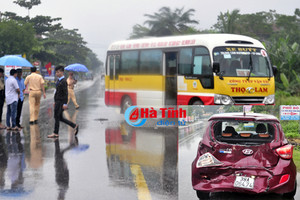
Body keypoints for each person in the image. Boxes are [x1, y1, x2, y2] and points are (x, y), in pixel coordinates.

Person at [47, 66, 79, 138]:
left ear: (62, 72)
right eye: (56, 72)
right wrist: (55, 101)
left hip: (61, 102)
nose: (57, 73)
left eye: (58, 72)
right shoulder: (59, 80)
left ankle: (55, 133)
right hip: (58, 101)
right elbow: (57, 92)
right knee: (60, 118)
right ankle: (74, 126)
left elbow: (65, 93)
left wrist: (64, 103)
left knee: (57, 117)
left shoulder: (64, 81)